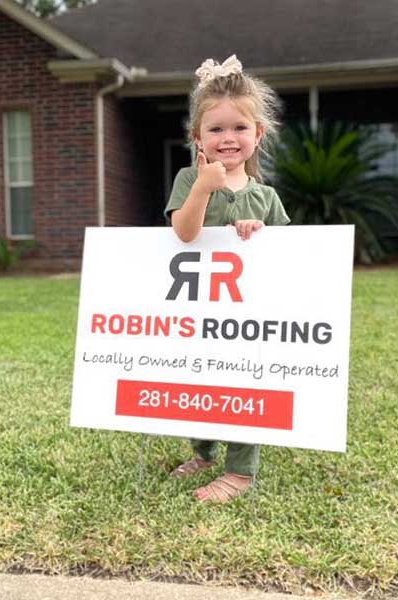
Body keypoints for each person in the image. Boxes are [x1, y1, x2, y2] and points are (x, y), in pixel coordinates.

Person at [164, 55, 291, 503]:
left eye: (239, 128)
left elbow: (288, 257)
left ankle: (240, 470)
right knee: (199, 382)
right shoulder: (187, 180)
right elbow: (184, 231)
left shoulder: (266, 196)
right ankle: (203, 450)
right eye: (215, 129)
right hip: (198, 312)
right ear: (198, 138)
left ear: (258, 135)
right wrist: (203, 186)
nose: (228, 138)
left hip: (248, 318)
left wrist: (258, 234)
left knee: (242, 385)